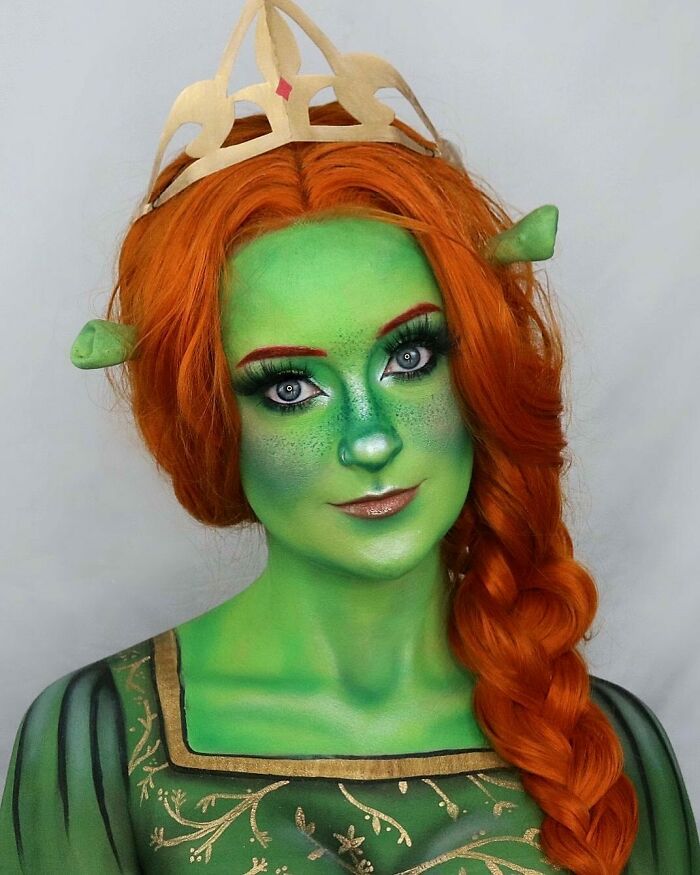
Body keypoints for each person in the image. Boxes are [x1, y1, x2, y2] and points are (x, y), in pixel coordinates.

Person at [0, 2, 697, 873]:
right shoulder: (98, 745)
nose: (369, 440)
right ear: (212, 419)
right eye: (290, 388)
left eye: (411, 357)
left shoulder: (604, 750)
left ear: (478, 371)